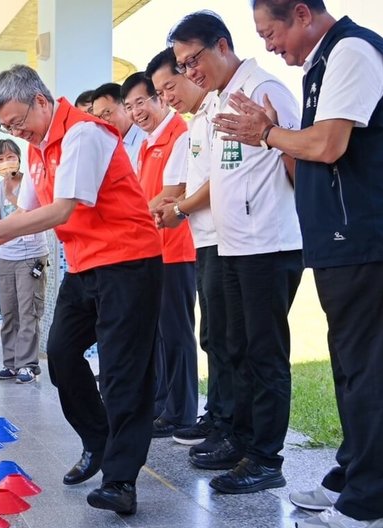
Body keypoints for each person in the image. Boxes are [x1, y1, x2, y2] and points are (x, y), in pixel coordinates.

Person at [213, 2, 383, 528]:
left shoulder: (352, 51)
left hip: (368, 237)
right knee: (350, 365)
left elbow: (327, 145)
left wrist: (268, 133)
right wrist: (278, 134)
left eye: (271, 31)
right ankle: (352, 474)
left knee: (369, 369)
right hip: (340, 239)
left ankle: (372, 505)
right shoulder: (323, 64)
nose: (268, 45)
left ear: (301, 14)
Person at [0, 64, 163, 515]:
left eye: (18, 122)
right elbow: (25, 212)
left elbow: (63, 210)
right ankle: (98, 440)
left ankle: (121, 480)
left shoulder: (85, 135)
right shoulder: (38, 149)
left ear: (42, 102)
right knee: (62, 355)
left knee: (123, 371)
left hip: (130, 262)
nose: (17, 133)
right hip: (87, 264)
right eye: (7, 127)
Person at [169, 11, 303, 494]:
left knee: (265, 356)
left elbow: (298, 165)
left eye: (194, 59)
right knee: (238, 350)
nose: (190, 72)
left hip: (269, 246)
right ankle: (241, 441)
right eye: (183, 65)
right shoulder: (222, 99)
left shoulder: (267, 90)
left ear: (222, 45)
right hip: (233, 248)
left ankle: (267, 458)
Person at [148, 48, 233, 453]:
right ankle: (212, 416)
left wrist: (177, 208)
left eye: (168, 86)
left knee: (214, 339)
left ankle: (218, 424)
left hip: (200, 244)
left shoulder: (183, 131)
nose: (167, 97)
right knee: (209, 336)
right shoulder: (195, 122)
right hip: (200, 240)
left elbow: (188, 190)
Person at [121, 71, 198, 439]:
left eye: (141, 102)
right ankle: (163, 404)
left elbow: (172, 192)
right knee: (161, 334)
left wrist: (126, 221)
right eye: (129, 105)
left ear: (160, 100)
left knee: (177, 334)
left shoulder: (178, 135)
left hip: (178, 249)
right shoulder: (150, 143)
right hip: (154, 248)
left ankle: (182, 412)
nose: (136, 111)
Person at [0, 139, 48, 384]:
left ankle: (27, 365)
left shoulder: (33, 182)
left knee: (28, 312)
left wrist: (9, 194)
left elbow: (30, 212)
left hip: (31, 256)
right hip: (6, 256)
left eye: (10, 156)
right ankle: (11, 363)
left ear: (19, 158)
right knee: (8, 312)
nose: (6, 161)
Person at [91, 82, 146, 170]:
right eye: (97, 117)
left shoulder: (145, 139)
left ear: (125, 106)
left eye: (106, 113)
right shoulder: (107, 145)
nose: (103, 122)